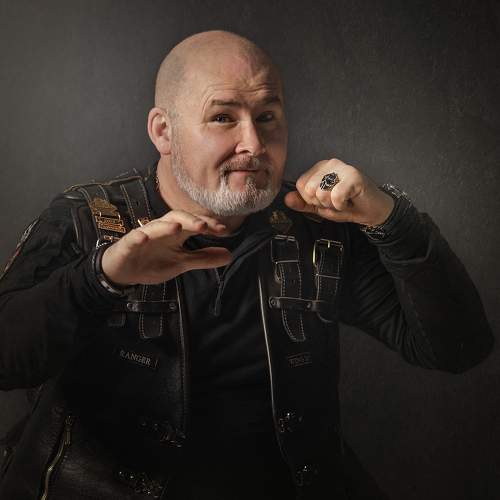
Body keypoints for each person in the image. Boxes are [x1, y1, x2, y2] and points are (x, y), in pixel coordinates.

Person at [0, 30, 493, 500]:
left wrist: (390, 219)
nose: (254, 145)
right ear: (164, 131)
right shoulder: (86, 220)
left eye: (267, 116)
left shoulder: (317, 229)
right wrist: (101, 277)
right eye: (222, 117)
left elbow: (458, 348)